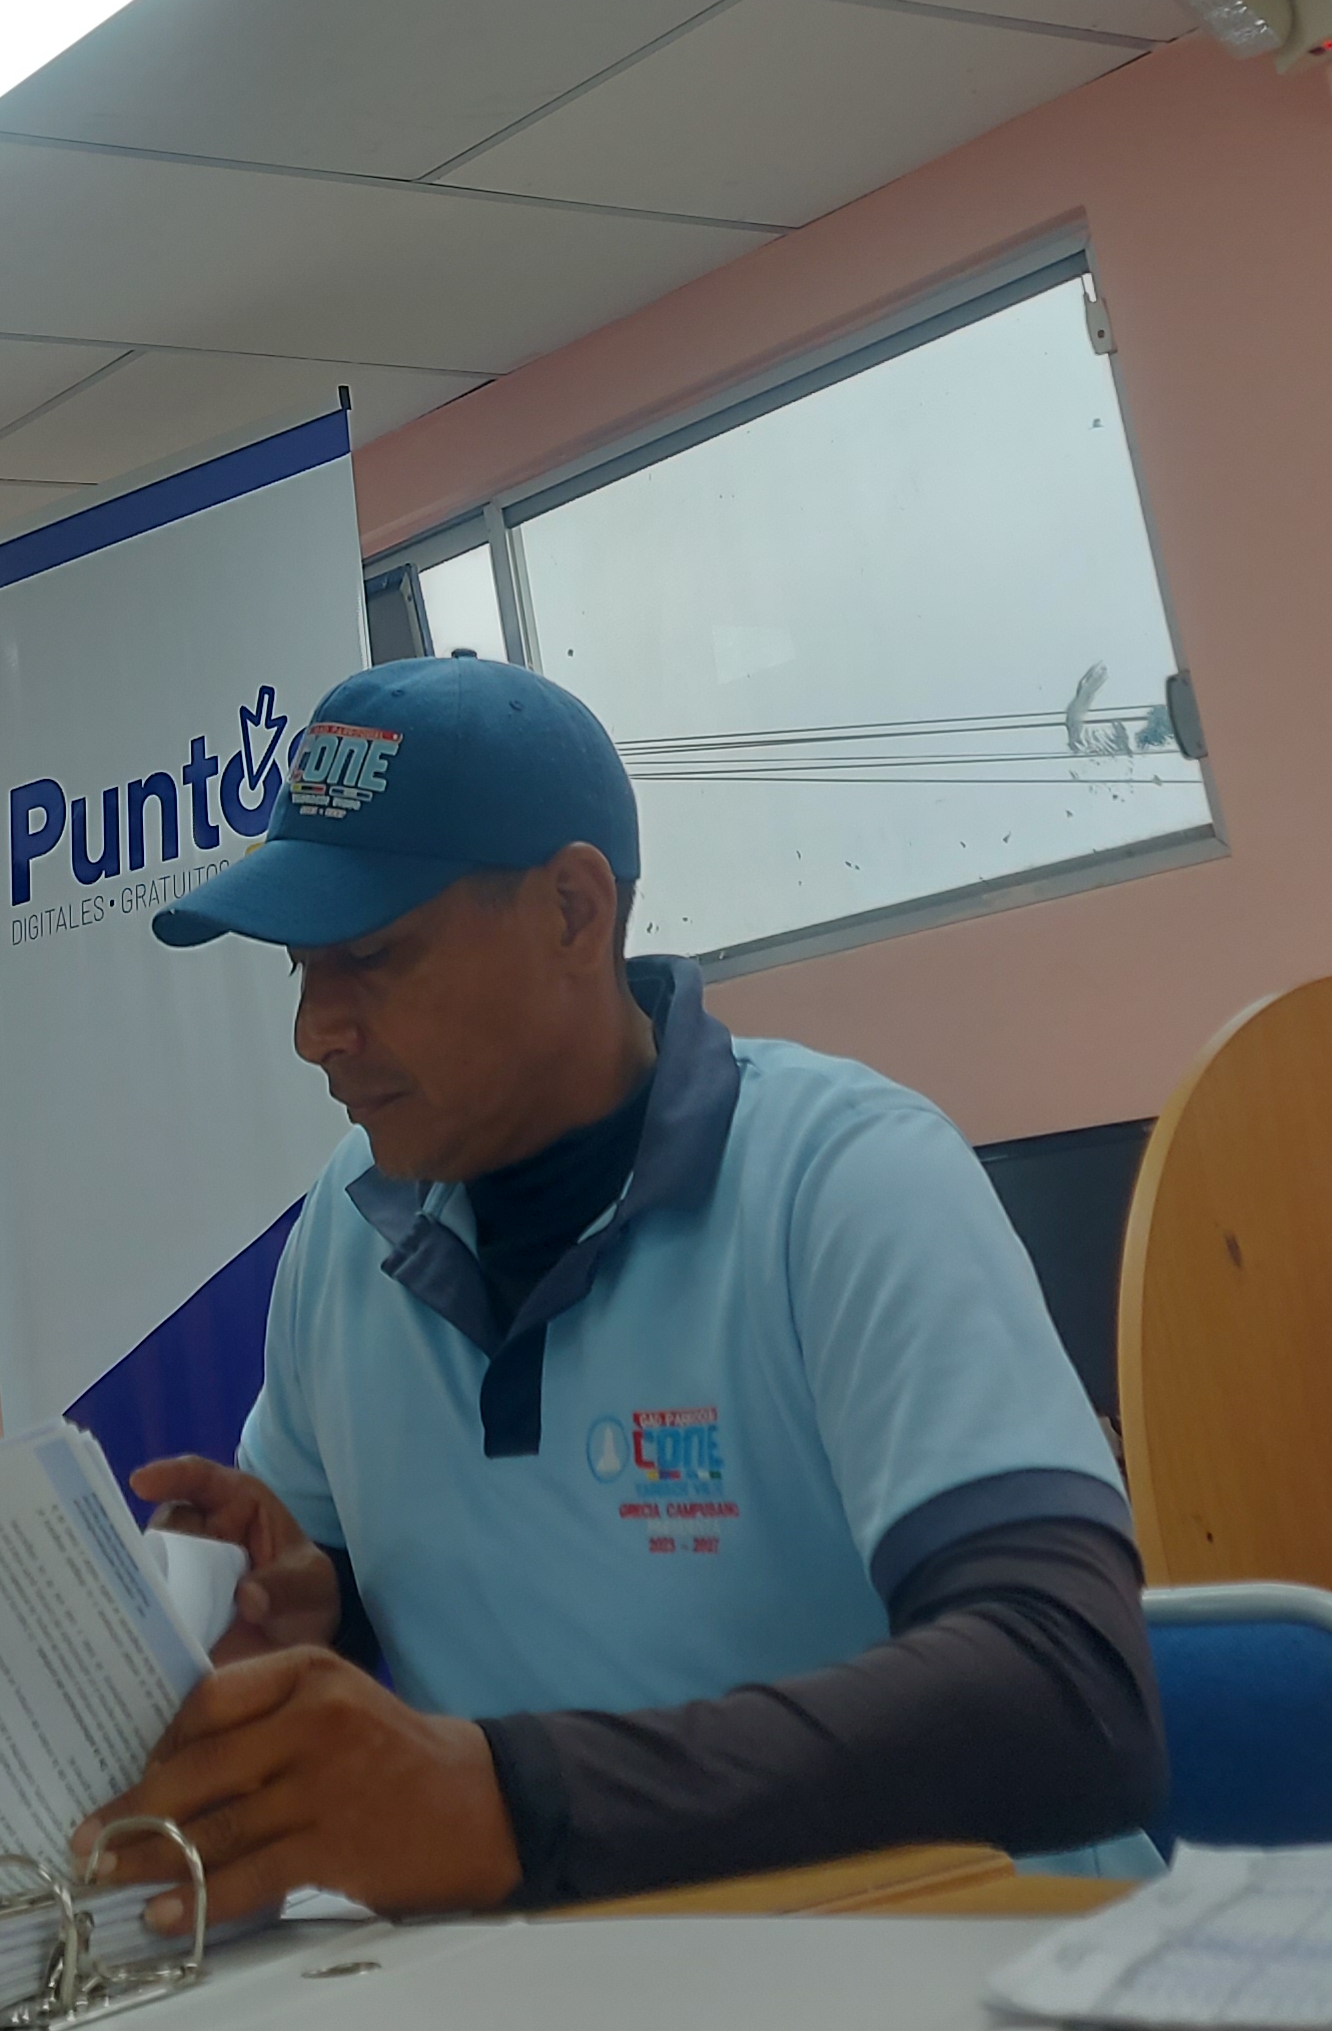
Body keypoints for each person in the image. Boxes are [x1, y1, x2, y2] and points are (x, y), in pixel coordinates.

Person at [95, 653, 1163, 1919]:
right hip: (566, 1980)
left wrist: (511, 1805)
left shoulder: (843, 1177)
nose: (313, 1031)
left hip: (964, 1960)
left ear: (572, 912)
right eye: (299, 969)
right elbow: (335, 1578)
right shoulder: (347, 1226)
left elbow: (1070, 1694)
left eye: (372, 957)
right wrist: (308, 1606)